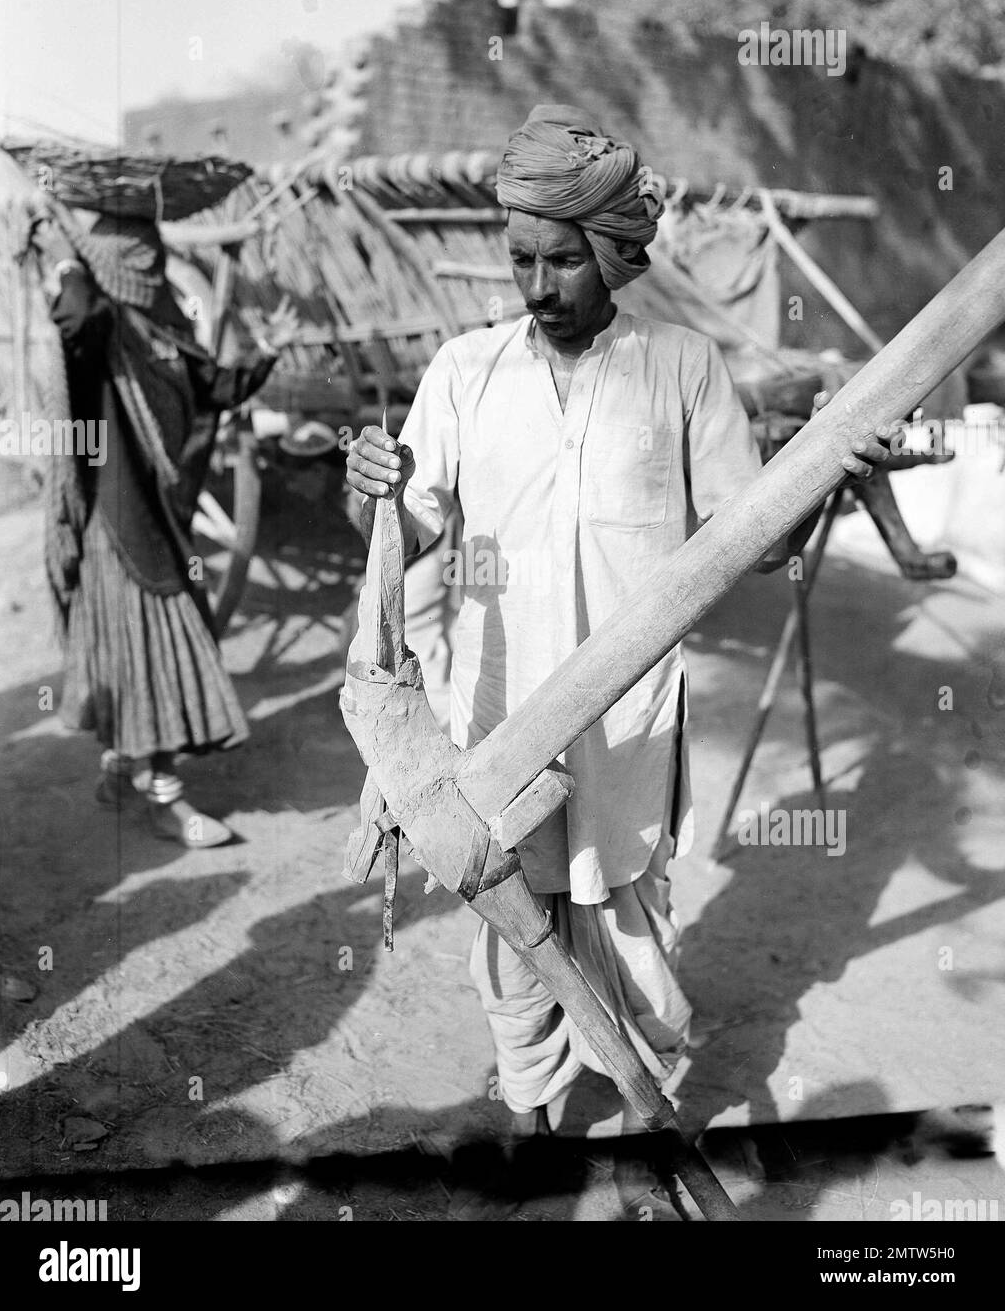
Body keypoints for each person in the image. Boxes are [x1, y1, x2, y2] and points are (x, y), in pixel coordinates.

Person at [345, 105, 889, 1153]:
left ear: (614, 256)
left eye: (562, 261)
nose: (539, 285)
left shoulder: (680, 367)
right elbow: (406, 528)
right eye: (521, 260)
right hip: (501, 710)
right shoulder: (464, 371)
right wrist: (378, 489)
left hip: (628, 713)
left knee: (629, 916)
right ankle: (529, 1116)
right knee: (510, 925)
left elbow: (750, 536)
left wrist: (820, 484)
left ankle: (641, 1109)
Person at [38, 207, 298, 847]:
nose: (155, 271)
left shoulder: (161, 333)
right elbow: (76, 316)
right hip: (117, 521)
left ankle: (125, 771)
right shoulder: (97, 343)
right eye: (141, 260)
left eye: (158, 257)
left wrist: (266, 350)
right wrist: (73, 263)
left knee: (144, 647)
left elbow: (216, 385)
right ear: (113, 268)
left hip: (158, 515)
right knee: (155, 644)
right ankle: (165, 799)